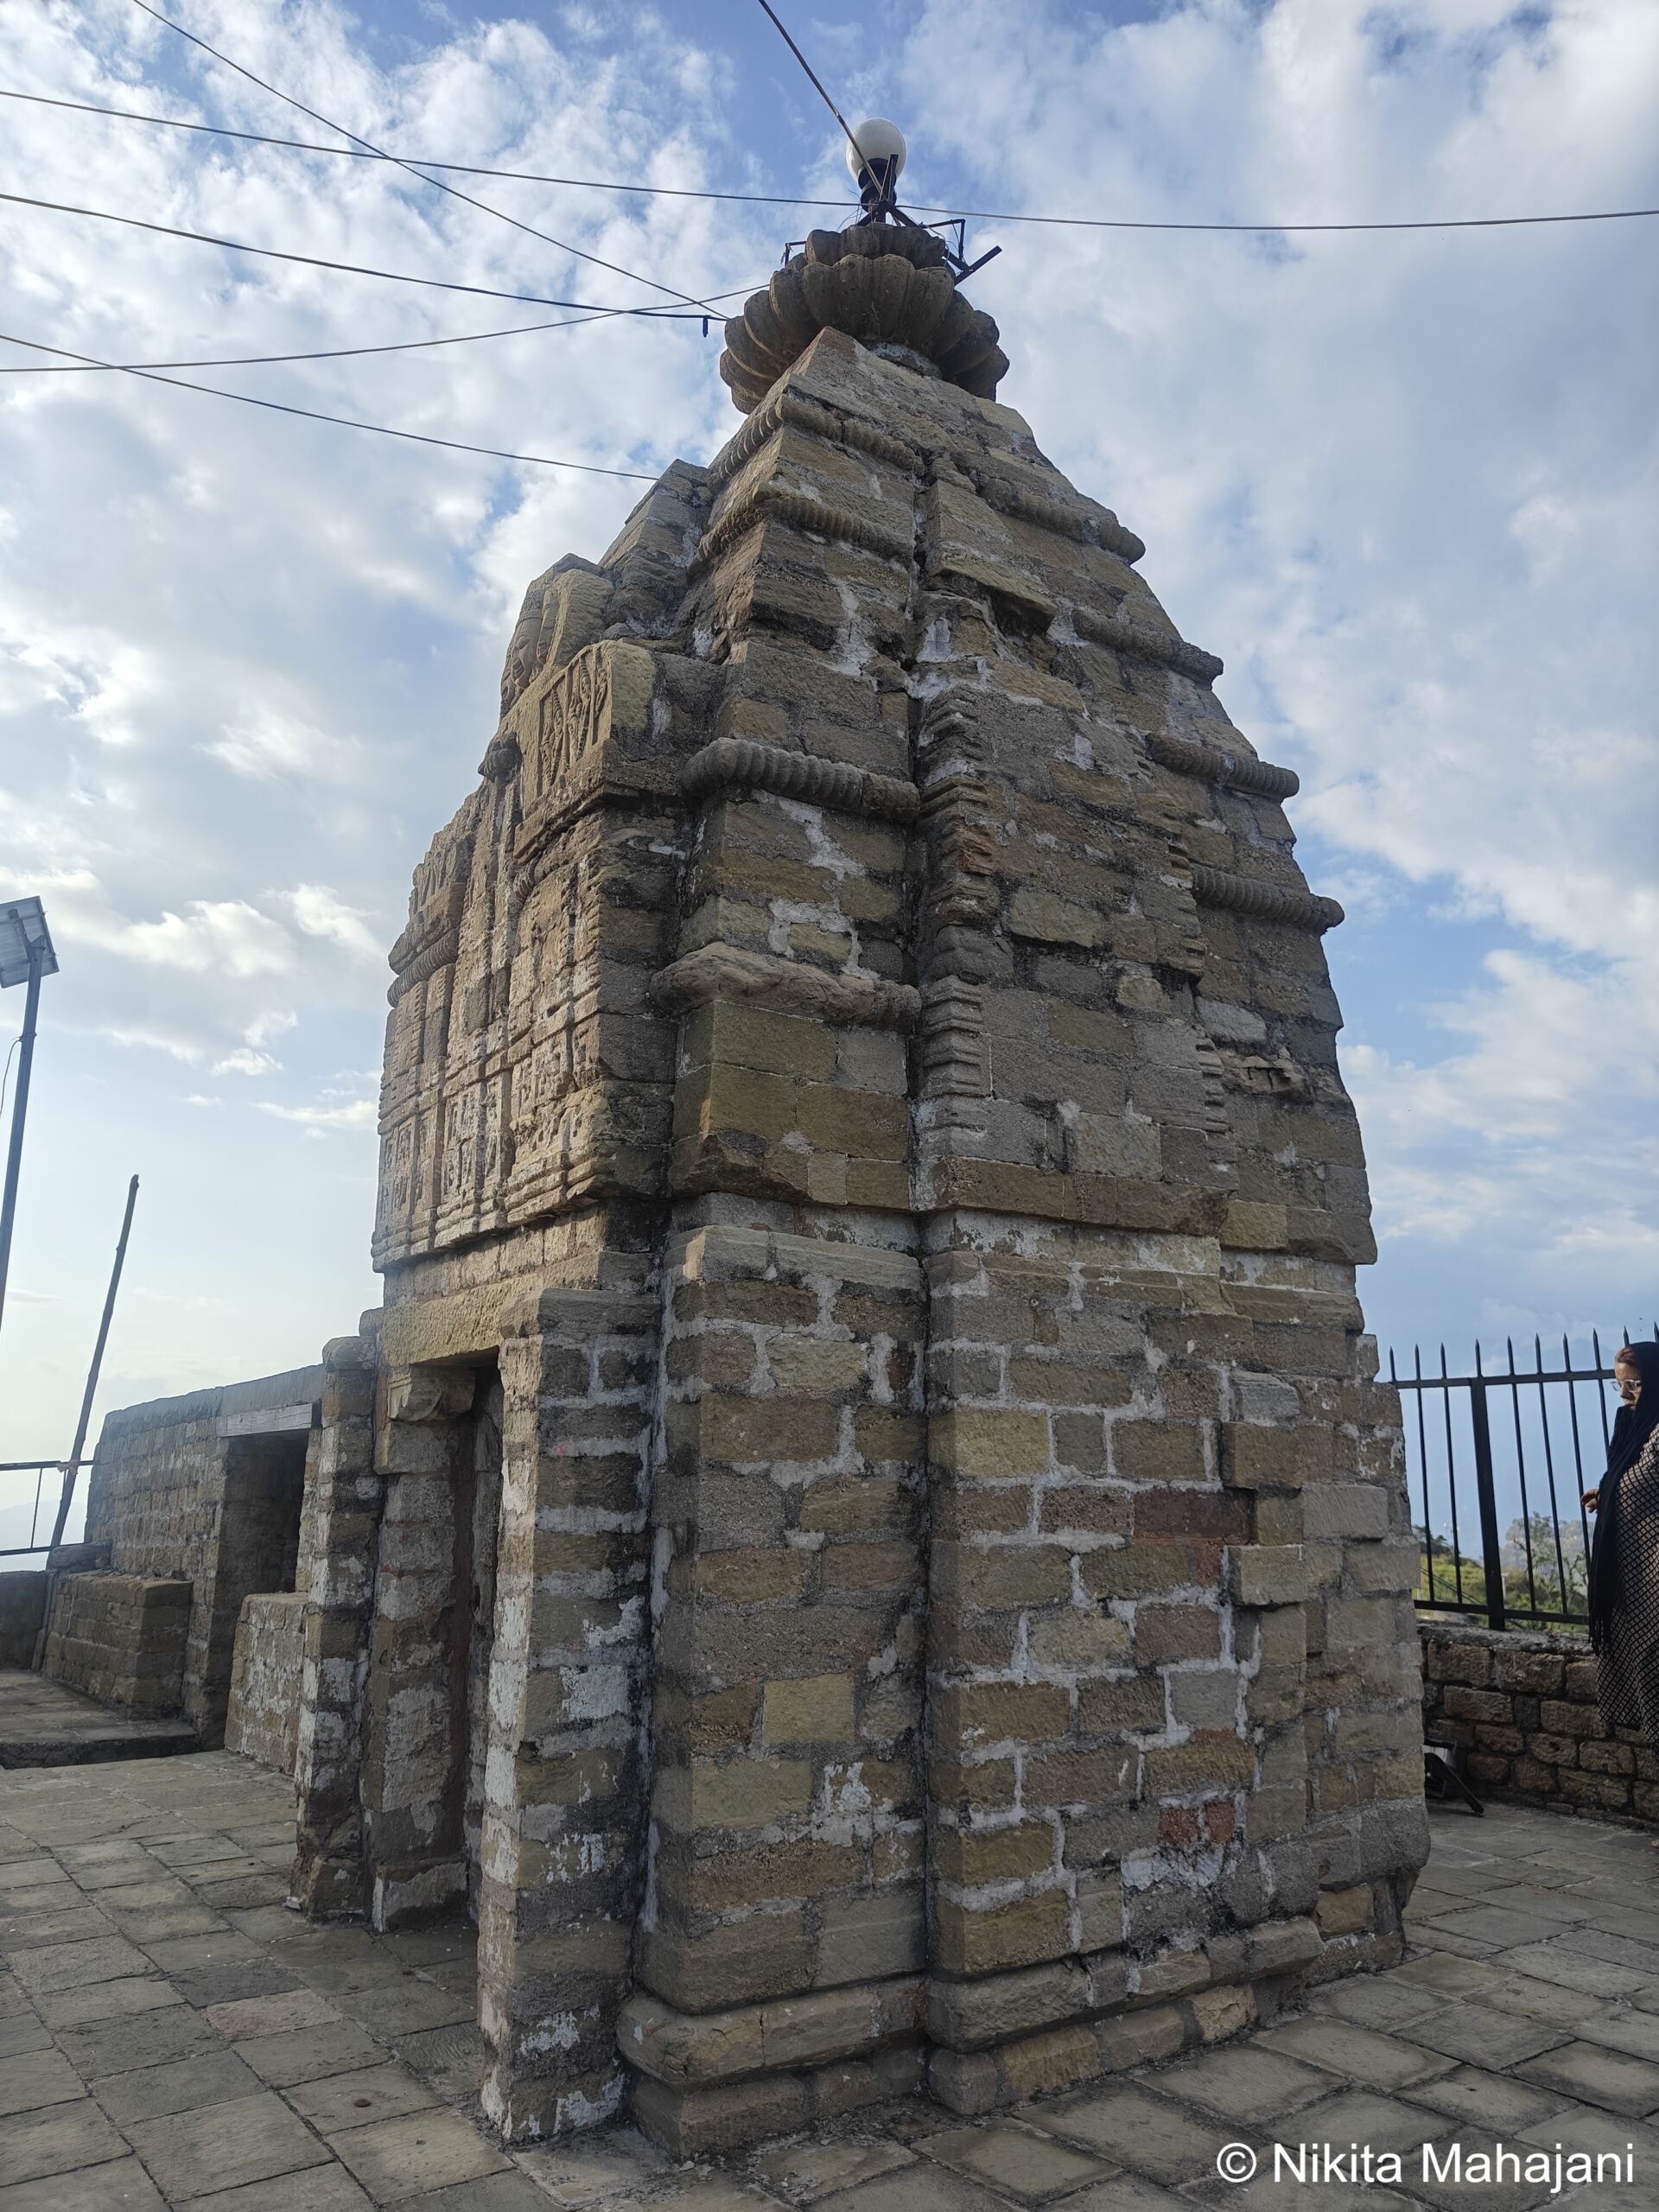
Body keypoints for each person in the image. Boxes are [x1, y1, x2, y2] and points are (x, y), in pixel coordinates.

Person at [1584, 1342, 1659, 1837]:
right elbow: (1625, 1481)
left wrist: (1612, 1488)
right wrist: (1604, 1488)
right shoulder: (1632, 1428)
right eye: (1619, 1384)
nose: (1627, 1394)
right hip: (1636, 1594)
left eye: (1635, 1384)